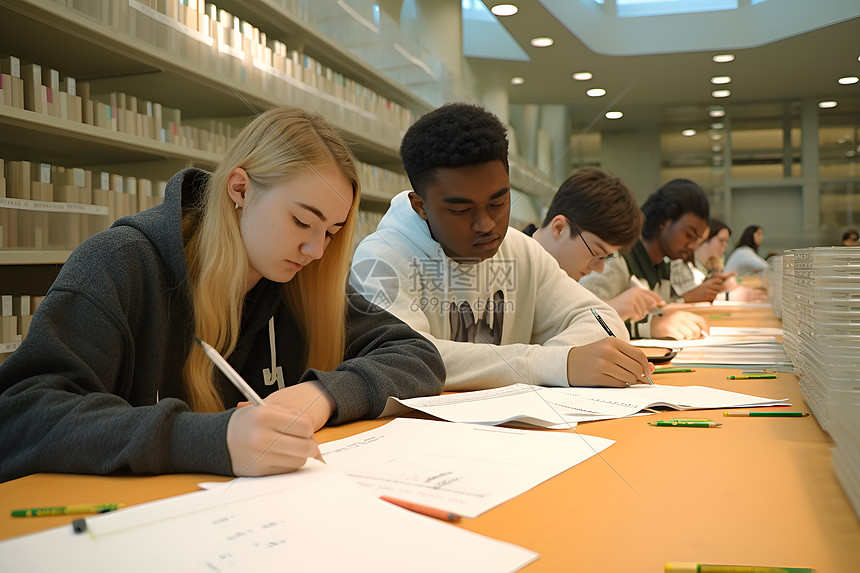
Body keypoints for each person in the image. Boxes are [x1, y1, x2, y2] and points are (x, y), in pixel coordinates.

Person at [0, 107, 445, 483]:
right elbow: (21, 418)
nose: (316, 251)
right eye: (301, 222)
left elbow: (416, 356)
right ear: (240, 189)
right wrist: (211, 439)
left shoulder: (299, 282)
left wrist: (319, 396)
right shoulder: (120, 264)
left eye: (330, 232)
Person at [350, 102, 654, 391]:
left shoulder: (523, 252)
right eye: (461, 210)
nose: (486, 224)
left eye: (499, 202)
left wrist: (563, 360)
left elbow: (603, 321)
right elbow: (406, 360)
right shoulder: (380, 260)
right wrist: (549, 365)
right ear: (421, 207)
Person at [524, 167, 664, 320]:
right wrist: (609, 310)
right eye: (596, 254)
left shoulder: (565, 285)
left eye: (606, 257)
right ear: (559, 228)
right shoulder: (510, 268)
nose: (599, 269)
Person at [578, 179, 712, 340]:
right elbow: (583, 322)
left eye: (696, 239)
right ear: (663, 221)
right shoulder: (616, 259)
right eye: (688, 235)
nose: (692, 246)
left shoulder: (663, 266)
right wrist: (651, 325)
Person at [670, 218, 737, 303]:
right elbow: (692, 295)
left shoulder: (704, 264)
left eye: (726, 242)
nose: (725, 246)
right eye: (721, 241)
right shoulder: (678, 262)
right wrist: (726, 296)